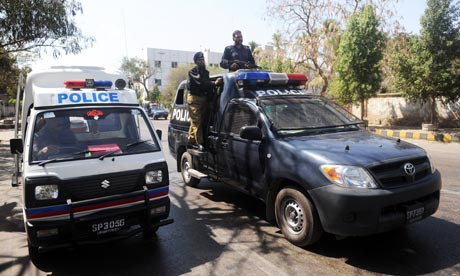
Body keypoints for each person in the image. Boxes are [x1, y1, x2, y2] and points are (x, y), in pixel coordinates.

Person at [187, 51, 223, 150]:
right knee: (197, 121)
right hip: (194, 98)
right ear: (196, 61)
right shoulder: (193, 71)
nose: (202, 61)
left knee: (198, 121)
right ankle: (200, 143)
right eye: (200, 60)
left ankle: (191, 140)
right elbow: (201, 83)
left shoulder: (206, 72)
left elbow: (207, 88)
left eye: (203, 59)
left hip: (203, 98)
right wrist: (214, 83)